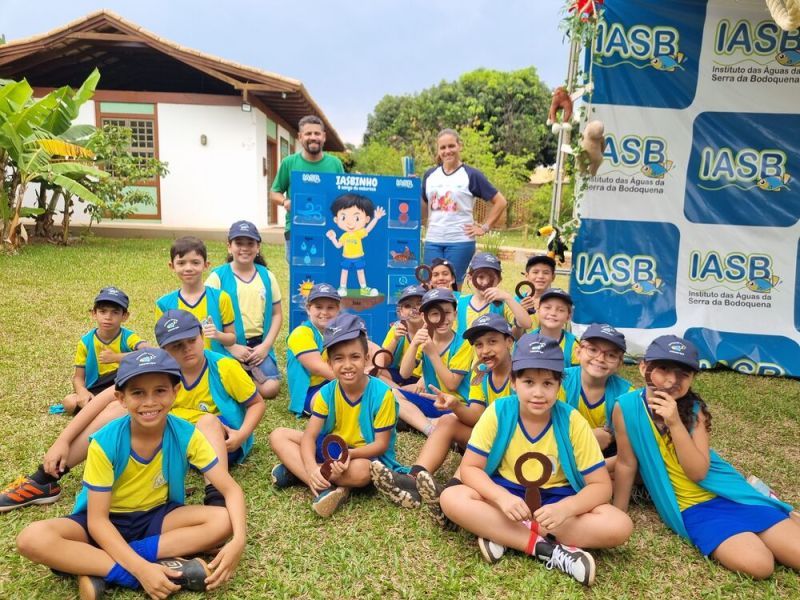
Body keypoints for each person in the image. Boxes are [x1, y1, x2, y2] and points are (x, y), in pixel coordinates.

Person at [15, 349, 247, 599]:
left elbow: (231, 489)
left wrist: (239, 540)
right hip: (104, 521)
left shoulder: (185, 434)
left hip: (155, 517)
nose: (149, 402)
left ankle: (93, 563)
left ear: (175, 393)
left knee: (223, 520)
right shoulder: (105, 442)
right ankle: (136, 573)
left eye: (160, 390)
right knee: (31, 538)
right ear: (121, 398)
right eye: (138, 393)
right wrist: (140, 570)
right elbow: (98, 521)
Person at [0, 311, 265, 512]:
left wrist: (242, 434)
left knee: (207, 421)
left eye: (191, 340)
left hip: (223, 442)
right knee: (118, 406)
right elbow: (101, 400)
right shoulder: (157, 370)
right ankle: (46, 478)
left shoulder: (224, 367)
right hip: (175, 439)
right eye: (175, 346)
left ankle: (216, 501)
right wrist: (62, 440)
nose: (186, 350)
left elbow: (256, 403)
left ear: (202, 336)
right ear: (162, 349)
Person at [439, 334, 633, 586]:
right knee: (451, 497)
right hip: (507, 496)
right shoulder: (498, 412)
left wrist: (567, 508)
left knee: (619, 525)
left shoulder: (573, 421)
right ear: (513, 382)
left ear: (559, 385)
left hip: (556, 501)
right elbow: (470, 469)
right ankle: (547, 550)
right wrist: (501, 497)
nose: (538, 393)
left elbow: (601, 486)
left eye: (548, 383)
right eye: (529, 381)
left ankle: (500, 533)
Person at [612, 335, 800, 578]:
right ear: (644, 368)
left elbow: (698, 472)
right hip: (692, 508)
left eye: (683, 374)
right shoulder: (625, 406)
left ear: (692, 379)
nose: (672, 379)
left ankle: (767, 504)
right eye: (663, 369)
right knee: (759, 566)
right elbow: (627, 463)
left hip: (728, 494)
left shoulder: (693, 410)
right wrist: (620, 511)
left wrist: (675, 423)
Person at [371, 313, 514, 527]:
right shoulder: (481, 374)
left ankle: (450, 494)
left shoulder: (521, 375)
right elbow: (476, 415)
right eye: (479, 345)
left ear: (509, 342)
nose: (485, 350)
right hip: (490, 437)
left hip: (514, 445)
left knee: (481, 441)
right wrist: (455, 405)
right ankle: (414, 479)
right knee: (448, 421)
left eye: (493, 342)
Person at [269, 314, 407, 517]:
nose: (347, 365)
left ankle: (295, 472)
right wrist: (310, 469)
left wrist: (350, 455)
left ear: (366, 358)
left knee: (363, 472)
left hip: (362, 454)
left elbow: (380, 445)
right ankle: (321, 486)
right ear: (330, 363)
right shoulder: (326, 393)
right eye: (339, 358)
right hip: (332, 449)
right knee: (278, 435)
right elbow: (310, 436)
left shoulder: (382, 394)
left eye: (355, 357)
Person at [206, 220, 282, 399]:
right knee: (226, 386)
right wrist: (231, 347)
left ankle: (246, 374)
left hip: (258, 346)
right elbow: (206, 317)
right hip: (226, 345)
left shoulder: (267, 276)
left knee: (271, 389)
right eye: (239, 243)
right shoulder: (217, 277)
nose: (244, 248)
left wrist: (265, 346)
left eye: (250, 243)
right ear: (229, 247)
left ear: (258, 247)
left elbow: (277, 314)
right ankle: (241, 375)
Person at [422, 128, 508, 284]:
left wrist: (484, 227)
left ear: (459, 146)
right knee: (430, 285)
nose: (447, 151)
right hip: (433, 240)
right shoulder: (429, 176)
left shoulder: (471, 175)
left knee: (453, 287)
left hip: (460, 242)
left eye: (451, 146)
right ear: (438, 150)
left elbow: (500, 202)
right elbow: (423, 203)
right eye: (443, 147)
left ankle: (454, 309)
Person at [395, 288, 474, 436]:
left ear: (455, 314)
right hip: (432, 401)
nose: (442, 318)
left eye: (447, 312)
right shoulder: (425, 340)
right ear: (425, 318)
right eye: (435, 314)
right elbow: (404, 373)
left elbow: (452, 384)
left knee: (450, 420)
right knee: (393, 394)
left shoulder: (464, 344)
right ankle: (428, 427)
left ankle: (419, 422)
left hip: (455, 405)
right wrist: (414, 345)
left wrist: (432, 353)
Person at [559, 324, 633, 473]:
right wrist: (589, 438)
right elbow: (548, 429)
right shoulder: (560, 381)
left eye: (611, 355)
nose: (600, 358)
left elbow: (629, 452)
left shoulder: (627, 393)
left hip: (605, 456)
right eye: (593, 349)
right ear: (578, 352)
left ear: (619, 364)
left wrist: (592, 468)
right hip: (564, 447)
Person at [269, 115, 345, 261]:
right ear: (300, 137)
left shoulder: (335, 164)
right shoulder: (289, 163)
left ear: (323, 137)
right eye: (308, 133)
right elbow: (274, 192)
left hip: (329, 228)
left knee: (328, 275)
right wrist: (285, 202)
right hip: (296, 228)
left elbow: (343, 195)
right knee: (300, 278)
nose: (313, 137)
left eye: (317, 133)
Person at [63, 287, 147, 414]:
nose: (108, 317)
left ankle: (105, 407)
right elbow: (78, 377)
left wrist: (116, 357)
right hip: (97, 387)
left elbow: (149, 353)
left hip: (123, 383)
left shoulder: (128, 337)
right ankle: (103, 405)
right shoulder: (86, 342)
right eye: (103, 311)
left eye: (115, 312)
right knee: (69, 403)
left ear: (125, 316)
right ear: (94, 313)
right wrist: (82, 392)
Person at [155, 236, 236, 356]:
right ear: (172, 266)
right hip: (182, 366)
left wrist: (217, 335)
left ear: (206, 265)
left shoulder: (221, 298)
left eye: (195, 262)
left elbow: (232, 339)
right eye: (181, 263)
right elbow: (164, 346)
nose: (188, 268)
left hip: (216, 365)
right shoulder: (163, 304)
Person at [286, 283, 341, 416]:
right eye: (318, 307)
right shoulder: (301, 333)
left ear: (338, 310)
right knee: (348, 399)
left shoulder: (337, 331)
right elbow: (318, 368)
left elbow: (367, 348)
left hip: (332, 382)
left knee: (383, 386)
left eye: (330, 307)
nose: (324, 312)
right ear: (308, 308)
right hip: (308, 392)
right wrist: (358, 381)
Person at [456, 252, 532, 338]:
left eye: (491, 278)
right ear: (470, 277)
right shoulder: (460, 302)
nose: (485, 282)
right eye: (481, 277)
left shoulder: (503, 304)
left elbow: (527, 323)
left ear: (499, 280)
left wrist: (508, 298)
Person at [325, 193, 386, 297]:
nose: (350, 223)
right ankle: (342, 287)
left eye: (357, 218)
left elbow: (368, 229)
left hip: (358, 257)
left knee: (360, 272)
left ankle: (363, 288)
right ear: (336, 220)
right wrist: (332, 238)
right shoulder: (344, 236)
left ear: (366, 219)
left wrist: (376, 218)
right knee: (344, 271)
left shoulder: (359, 233)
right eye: (344, 217)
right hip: (347, 257)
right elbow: (338, 246)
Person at [380, 284, 426, 387]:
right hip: (400, 375)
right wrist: (395, 340)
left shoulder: (433, 331)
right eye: (407, 306)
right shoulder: (396, 327)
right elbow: (383, 363)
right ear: (401, 311)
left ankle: (399, 392)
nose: (414, 309)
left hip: (425, 379)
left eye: (419, 304)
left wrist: (423, 382)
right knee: (372, 371)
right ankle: (400, 391)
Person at [530, 287, 579, 367]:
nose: (553, 313)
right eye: (547, 308)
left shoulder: (574, 345)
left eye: (560, 310)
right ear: (538, 311)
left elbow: (577, 376)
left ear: (568, 317)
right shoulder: (526, 341)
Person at [514, 255, 557, 335]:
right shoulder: (516, 301)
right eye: (535, 272)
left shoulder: (559, 302)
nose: (540, 276)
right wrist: (521, 316)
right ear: (527, 276)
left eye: (546, 273)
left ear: (553, 277)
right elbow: (513, 337)